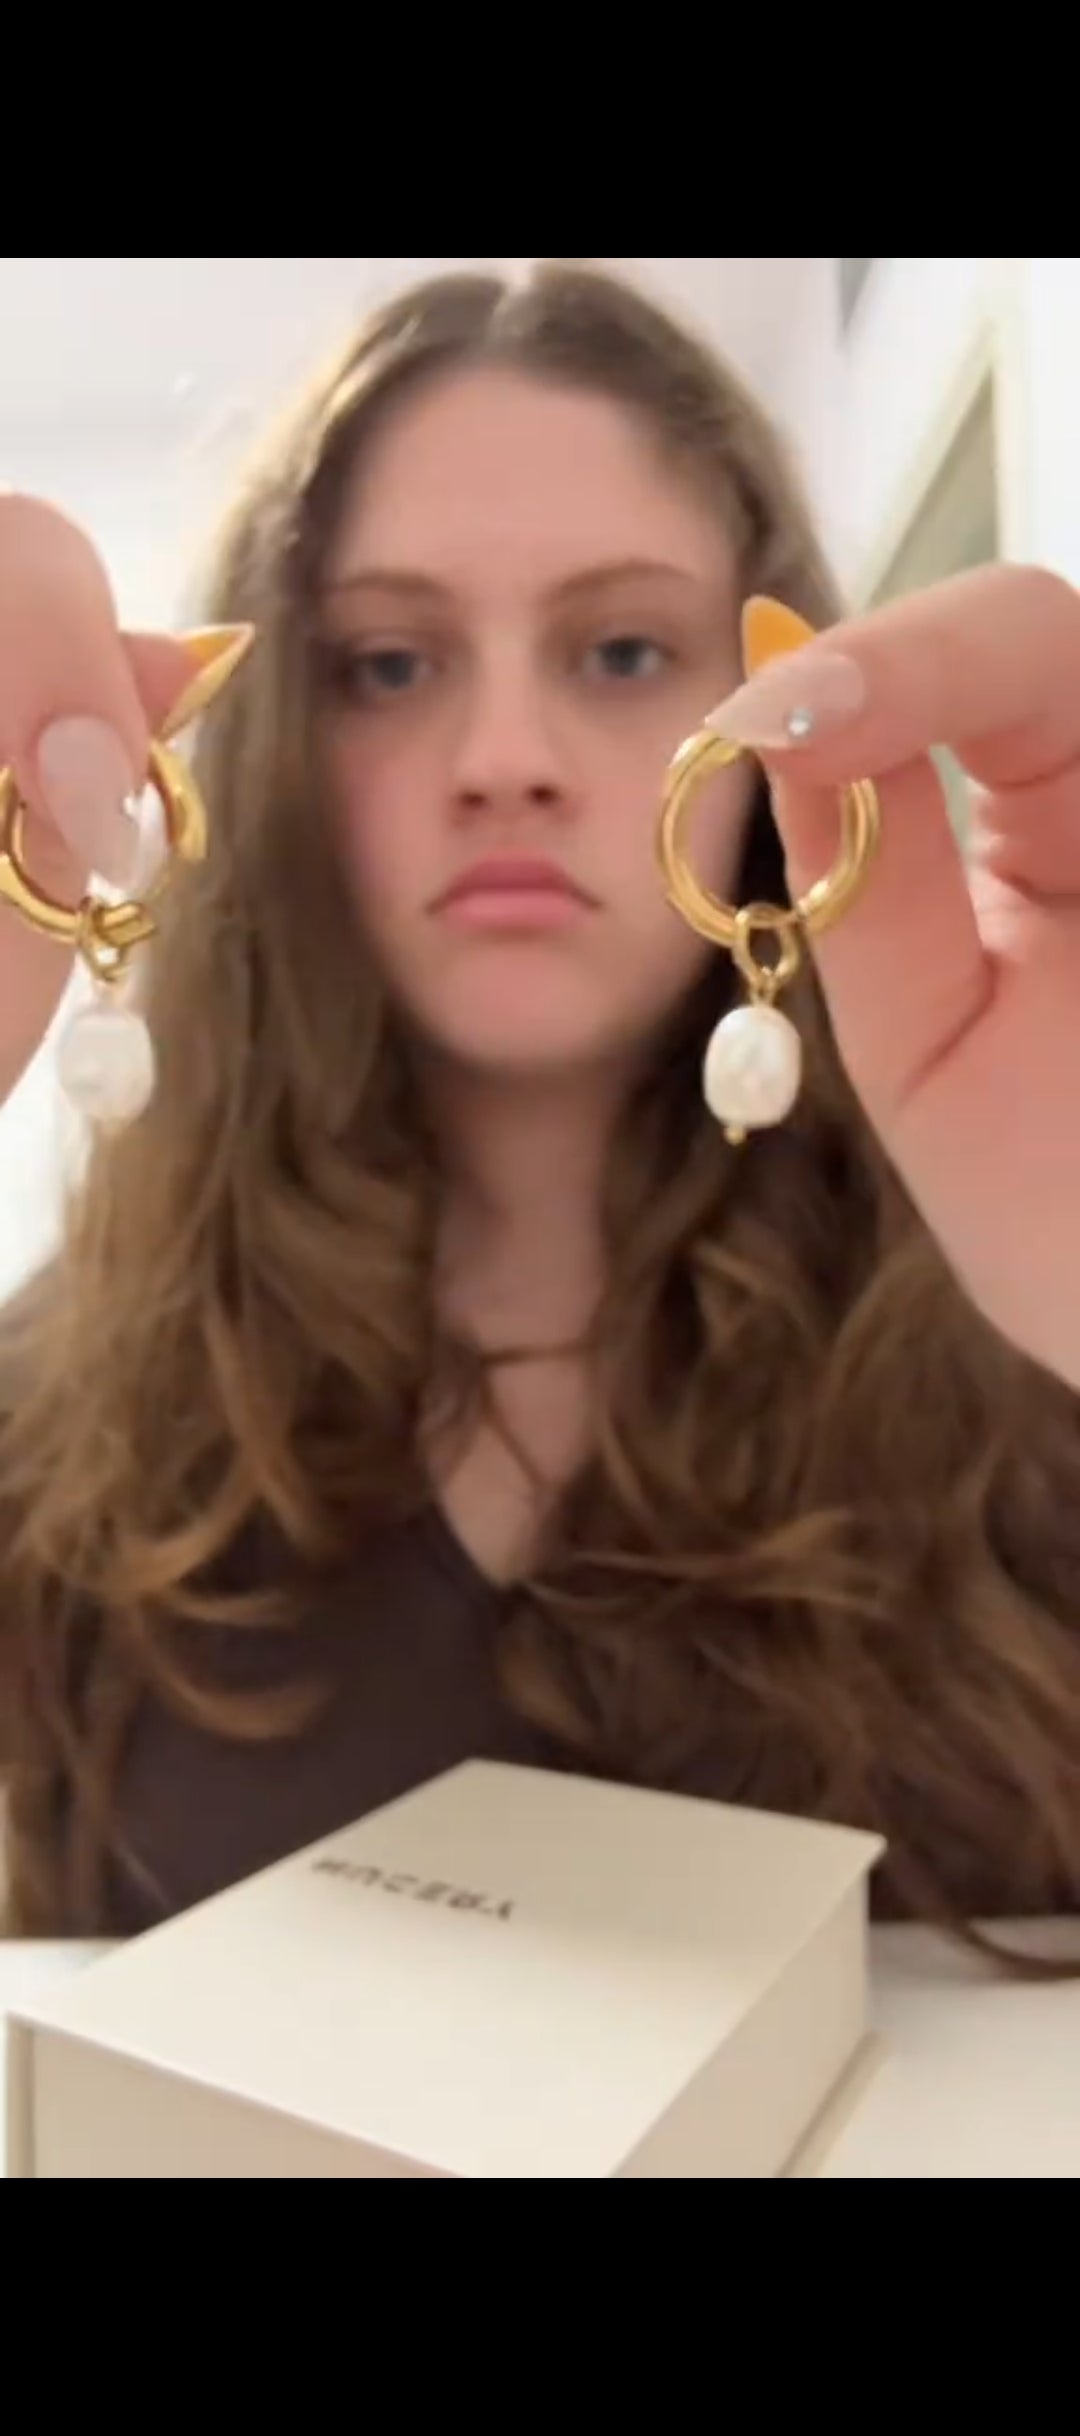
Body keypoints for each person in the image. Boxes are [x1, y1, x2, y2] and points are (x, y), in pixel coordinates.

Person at [1, 262, 1079, 1953]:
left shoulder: (1026, 1353)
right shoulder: (50, 1418)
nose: (505, 754)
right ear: (275, 745)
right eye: (388, 666)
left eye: (624, 650)